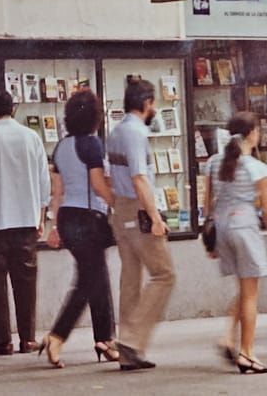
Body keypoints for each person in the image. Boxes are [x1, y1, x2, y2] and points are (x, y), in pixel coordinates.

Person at [203, 112, 267, 374]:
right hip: (245, 227)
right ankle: (247, 352)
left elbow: (207, 202)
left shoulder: (213, 163)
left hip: (222, 227)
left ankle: (229, 338)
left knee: (243, 289)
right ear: (252, 133)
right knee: (251, 294)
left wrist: (209, 241)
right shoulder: (257, 168)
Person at [0, 89, 50, 355]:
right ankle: (28, 339)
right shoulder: (31, 137)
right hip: (25, 219)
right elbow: (42, 180)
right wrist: (41, 217)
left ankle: (2, 341)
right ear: (13, 109)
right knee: (26, 282)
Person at [40, 89, 119, 368]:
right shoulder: (93, 145)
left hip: (67, 218)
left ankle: (105, 339)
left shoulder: (61, 147)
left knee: (96, 274)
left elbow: (57, 191)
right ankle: (57, 336)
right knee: (87, 281)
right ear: (96, 117)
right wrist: (117, 205)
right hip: (89, 219)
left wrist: (53, 225)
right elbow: (98, 185)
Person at [106, 79, 175, 371]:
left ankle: (128, 350)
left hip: (120, 209)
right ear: (146, 103)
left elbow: (111, 176)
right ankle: (132, 340)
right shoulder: (135, 133)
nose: (155, 108)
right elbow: (139, 178)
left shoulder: (116, 131)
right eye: (154, 103)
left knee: (131, 278)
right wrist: (156, 218)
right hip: (137, 209)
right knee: (164, 274)